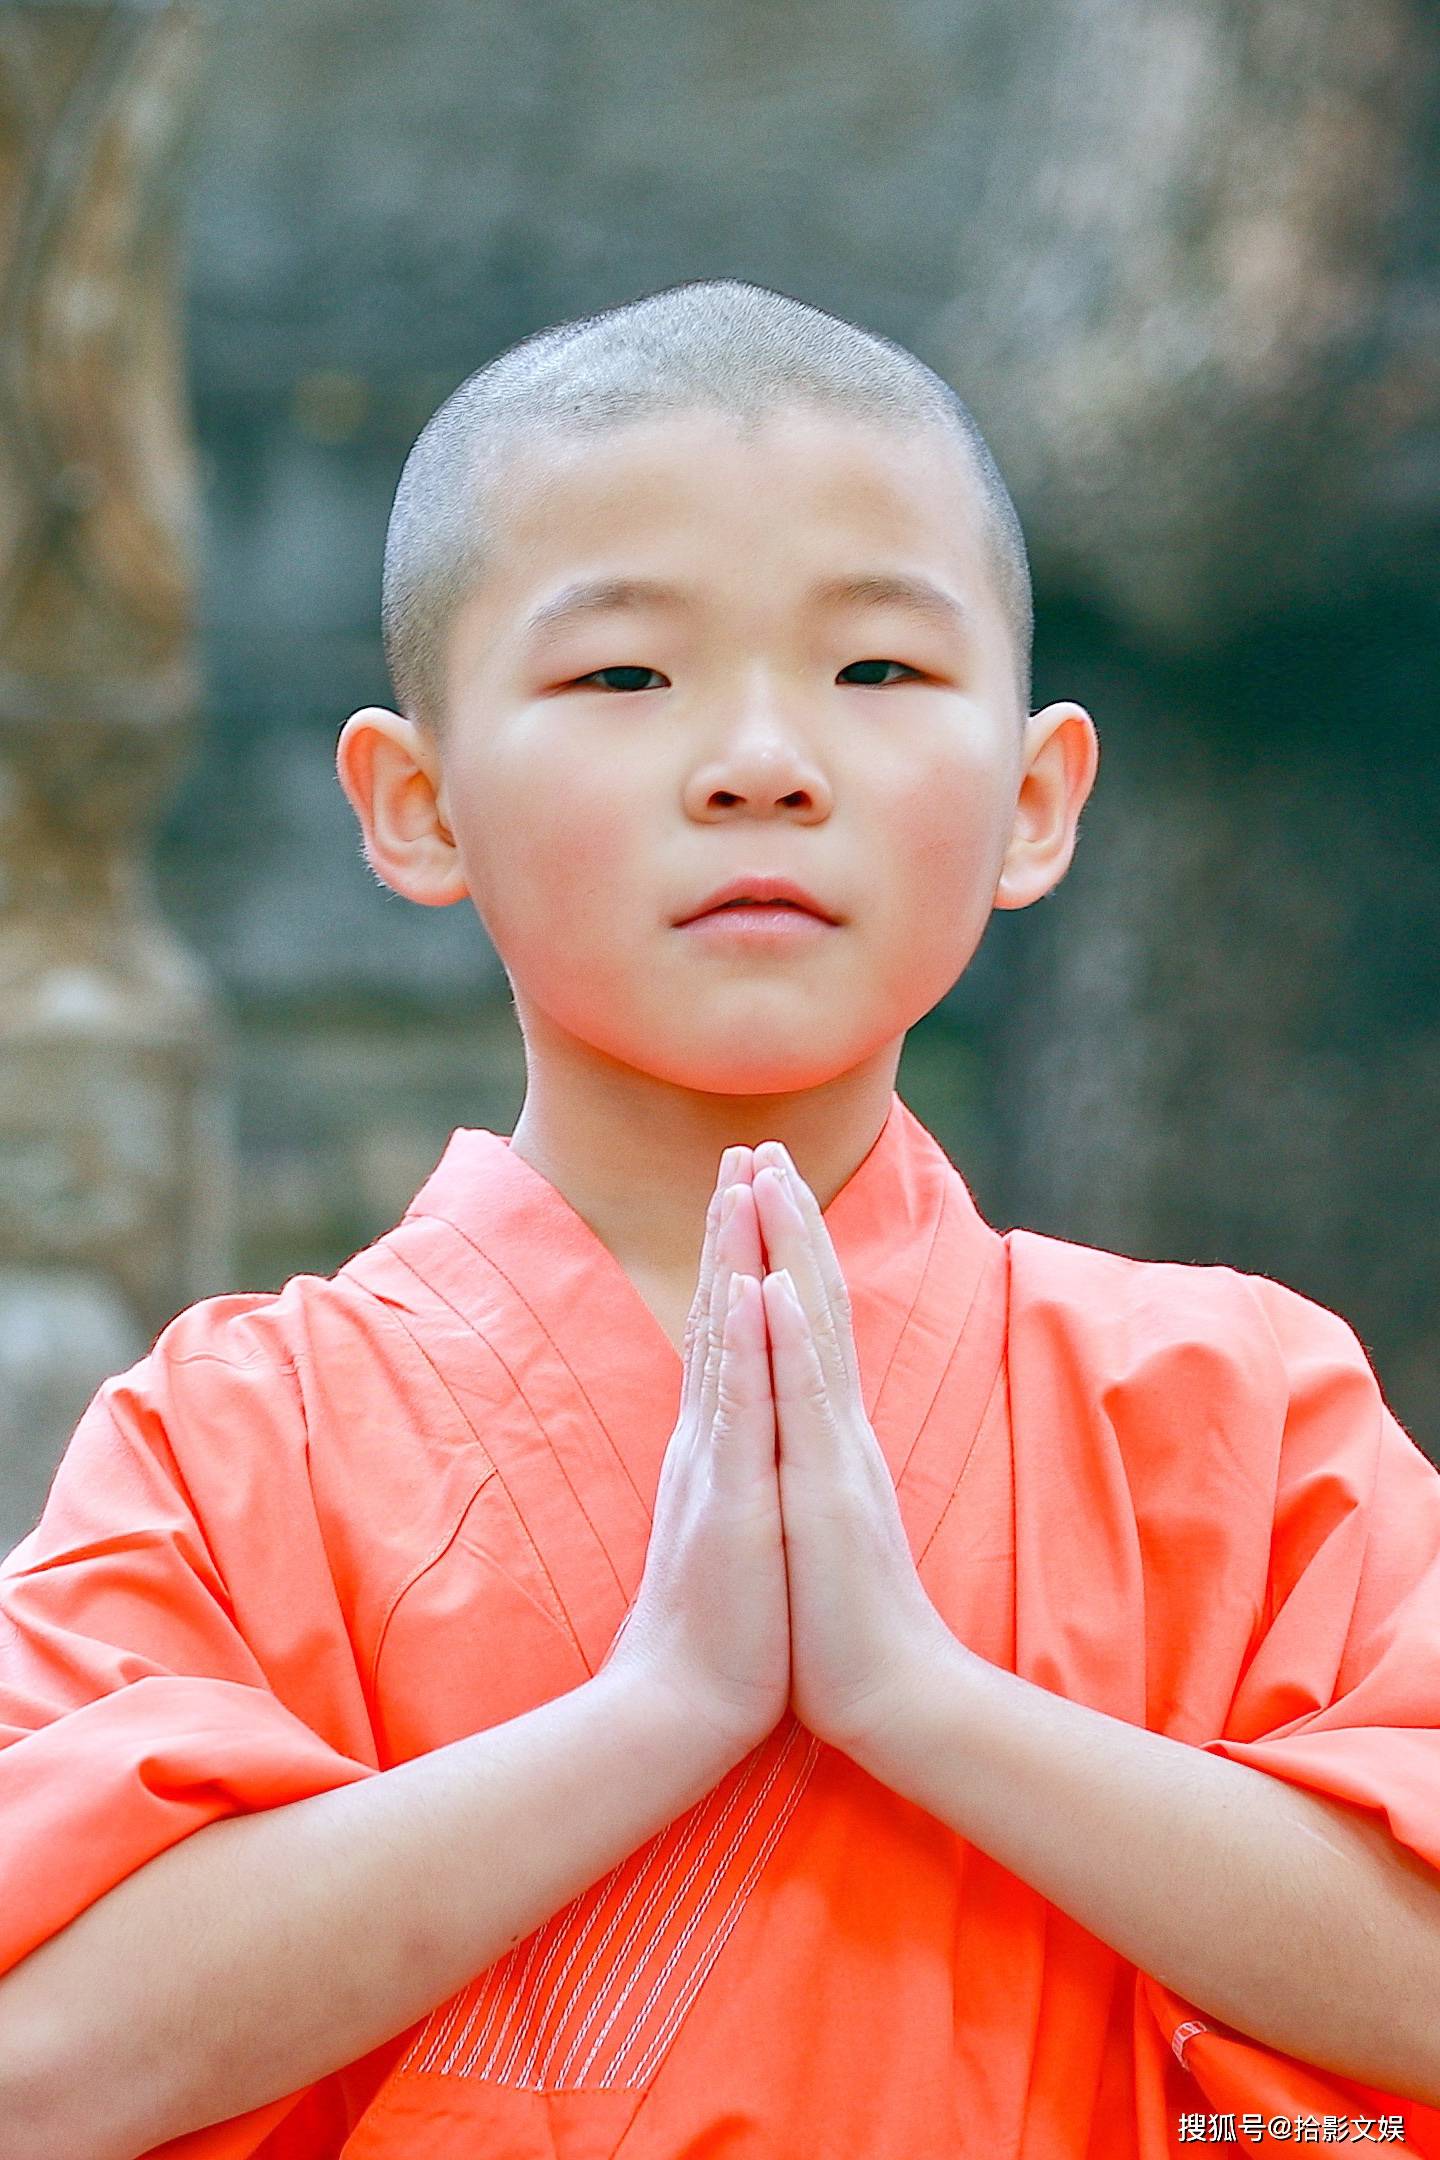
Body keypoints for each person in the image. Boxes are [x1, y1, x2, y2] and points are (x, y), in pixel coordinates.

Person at [2, 278, 1438, 2160]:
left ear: (1033, 800)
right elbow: (41, 2071)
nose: (761, 759)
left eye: (877, 673)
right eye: (624, 677)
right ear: (417, 805)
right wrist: (660, 1708)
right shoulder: (235, 1442)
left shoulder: (1233, 1406)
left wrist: (914, 1697)